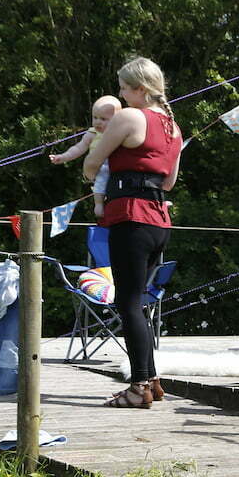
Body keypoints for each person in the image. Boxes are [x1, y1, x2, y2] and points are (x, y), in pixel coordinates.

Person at [83, 56, 181, 409]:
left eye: (124, 87)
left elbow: (91, 165)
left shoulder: (129, 117)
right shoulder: (173, 127)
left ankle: (139, 386)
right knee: (137, 302)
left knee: (128, 302)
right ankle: (151, 381)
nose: (121, 94)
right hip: (158, 221)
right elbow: (168, 182)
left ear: (140, 88)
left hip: (130, 216)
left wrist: (91, 168)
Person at [49, 96, 122, 218]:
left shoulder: (121, 132)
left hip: (118, 167)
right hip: (100, 165)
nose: (98, 122)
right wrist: (63, 157)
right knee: (100, 181)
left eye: (103, 119)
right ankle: (98, 204)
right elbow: (79, 148)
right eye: (95, 118)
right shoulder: (92, 133)